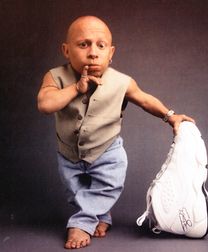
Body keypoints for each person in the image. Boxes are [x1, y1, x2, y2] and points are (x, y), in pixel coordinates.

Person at [37, 15, 195, 249]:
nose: (93, 52)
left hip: (107, 151)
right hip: (68, 152)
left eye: (101, 46)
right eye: (83, 44)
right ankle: (101, 216)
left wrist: (170, 115)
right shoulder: (55, 76)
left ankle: (80, 224)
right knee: (76, 192)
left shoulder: (122, 81)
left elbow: (144, 99)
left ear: (111, 53)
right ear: (66, 50)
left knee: (107, 186)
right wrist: (75, 88)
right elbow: (45, 104)